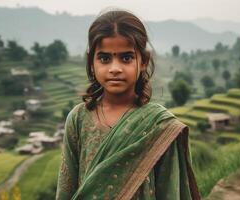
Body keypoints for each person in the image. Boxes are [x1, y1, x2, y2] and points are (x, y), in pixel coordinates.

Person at [56, 9, 200, 200]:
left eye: (126, 58)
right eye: (105, 58)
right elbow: (66, 189)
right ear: (92, 62)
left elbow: (170, 191)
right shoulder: (78, 119)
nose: (115, 68)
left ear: (143, 61)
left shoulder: (160, 126)